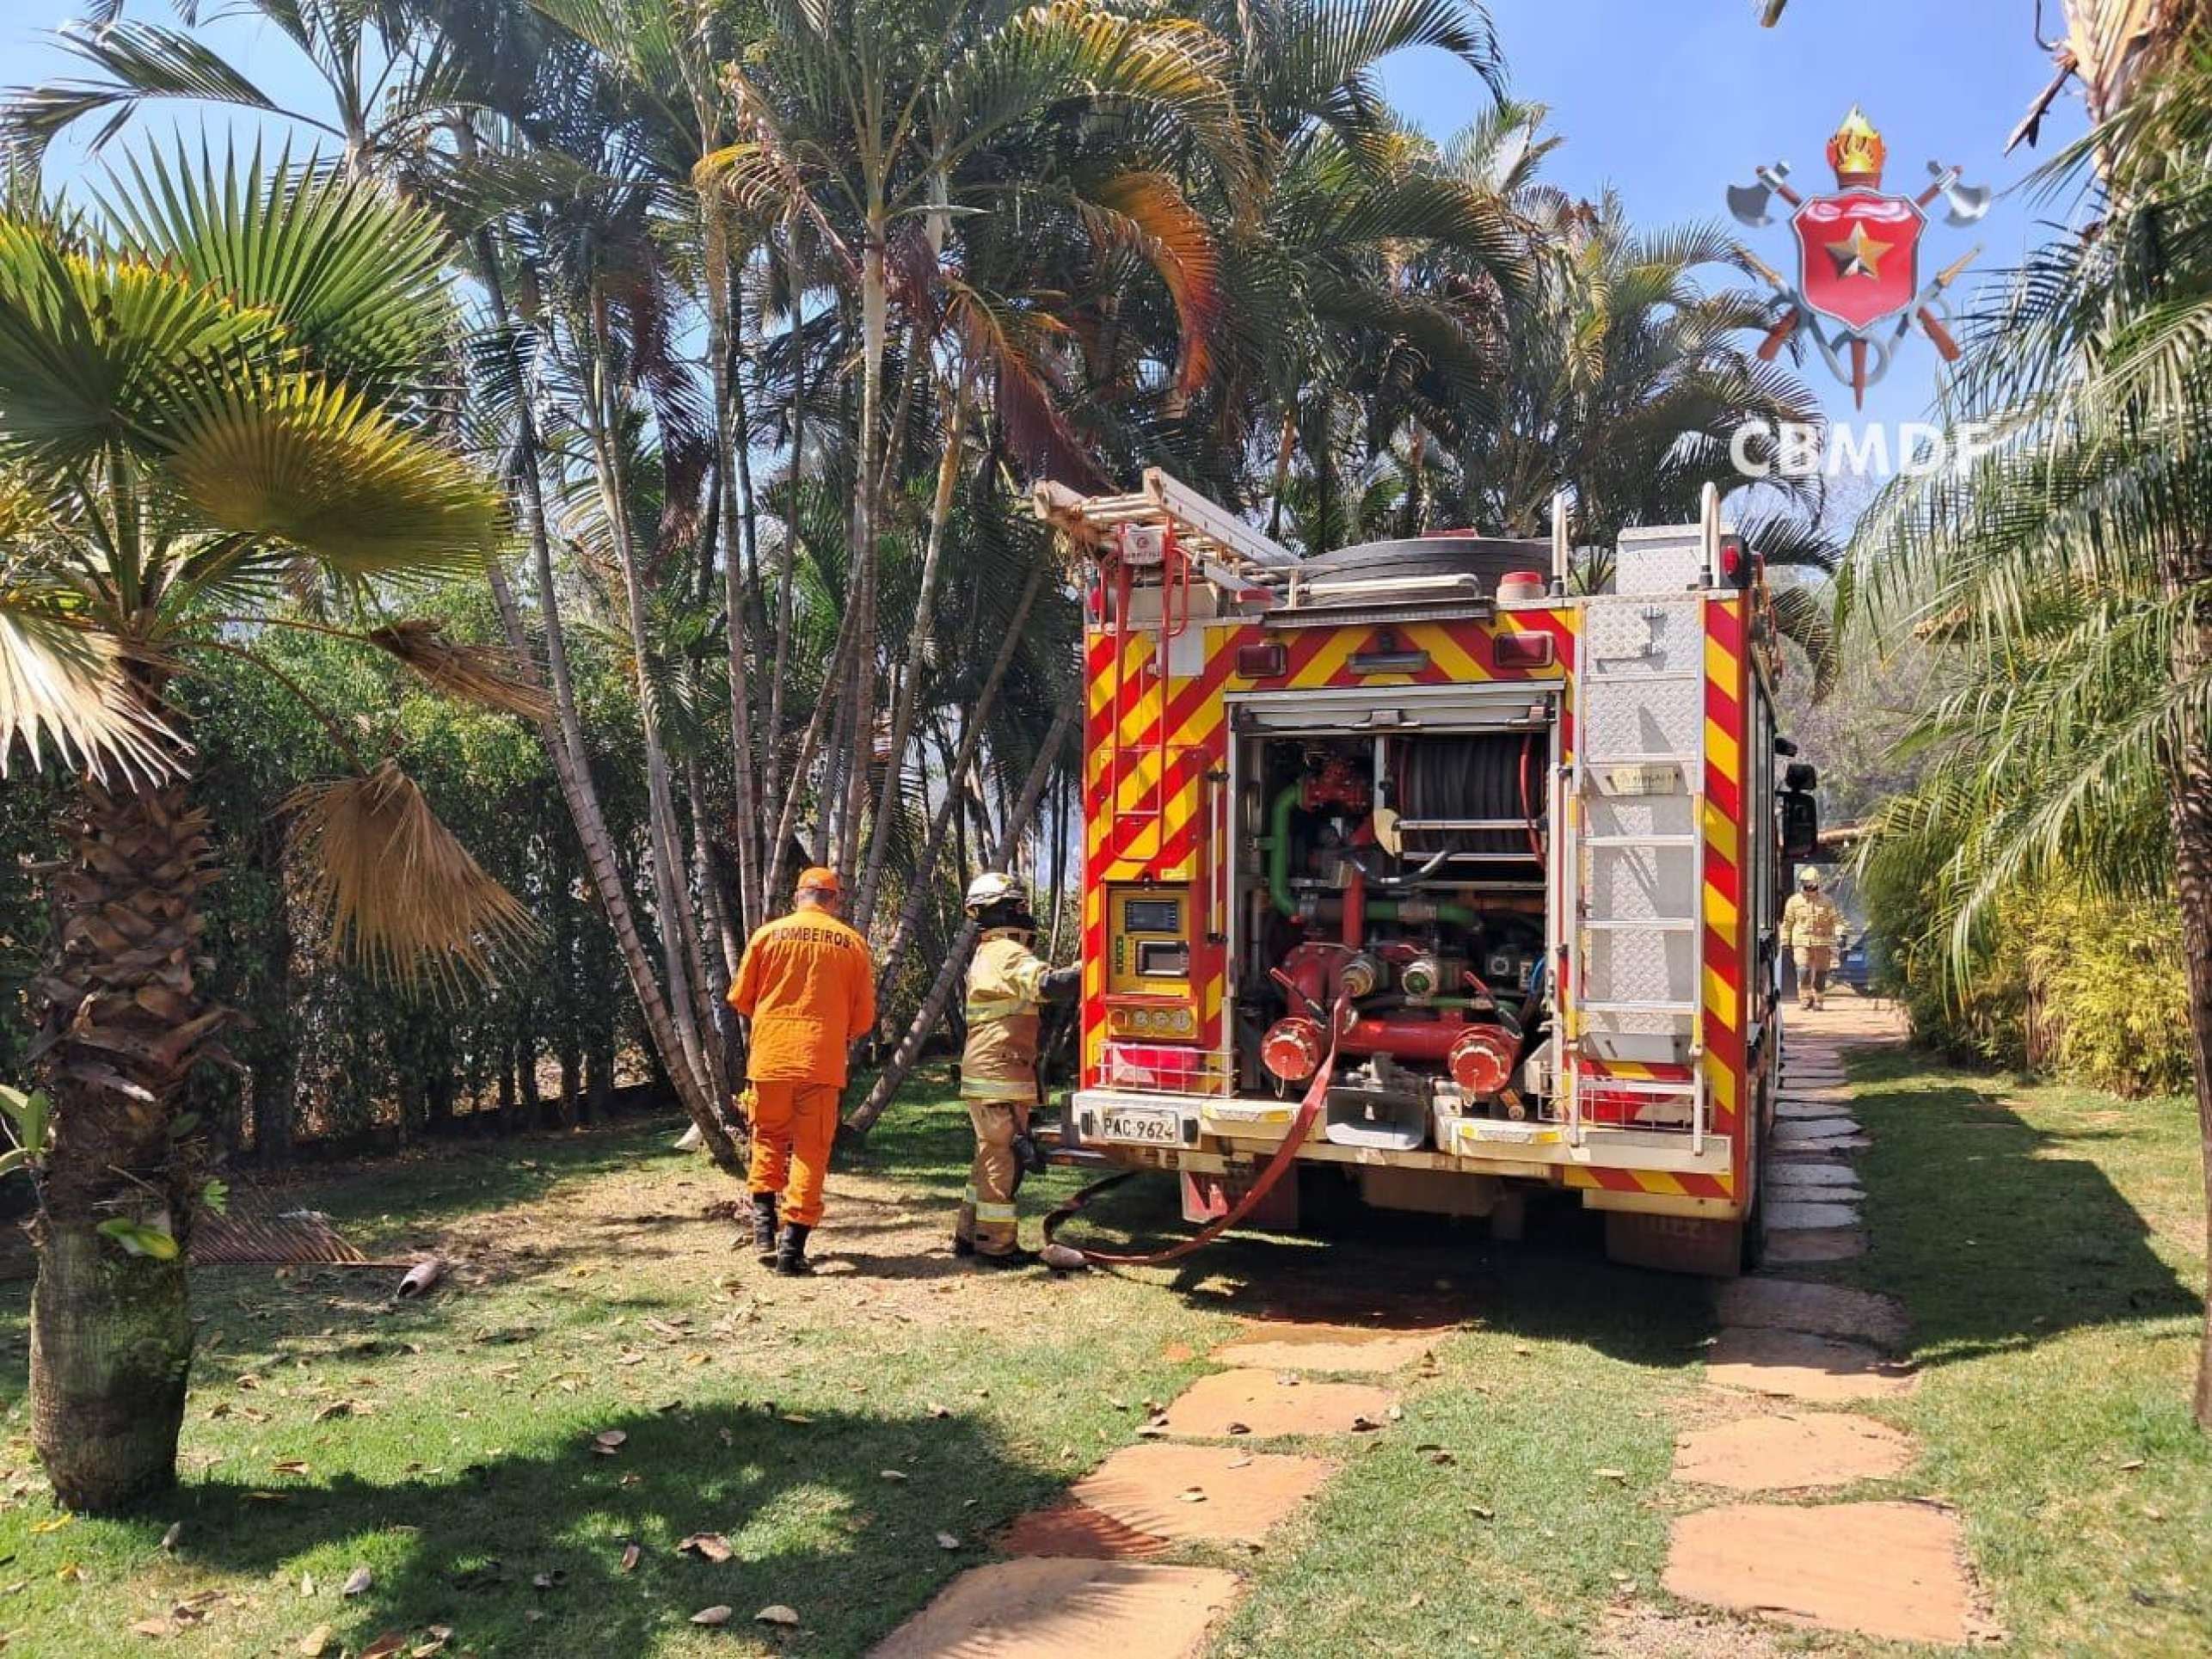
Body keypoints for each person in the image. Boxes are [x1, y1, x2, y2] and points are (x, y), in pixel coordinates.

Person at [728, 867, 876, 1275]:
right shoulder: (853, 943)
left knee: (768, 1138)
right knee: (811, 1152)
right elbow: (864, 1019)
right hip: (820, 1063)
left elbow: (740, 997)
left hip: (771, 1059)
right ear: (835, 900)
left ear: (798, 897)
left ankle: (763, 1231)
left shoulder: (767, 935)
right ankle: (791, 1251)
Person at [954, 872, 1079, 1268]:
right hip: (999, 1073)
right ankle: (996, 1246)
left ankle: (968, 1234)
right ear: (1000, 909)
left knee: (989, 1156)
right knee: (1003, 1159)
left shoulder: (989, 952)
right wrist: (1096, 965)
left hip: (994, 1070)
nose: (1025, 911)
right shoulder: (1005, 952)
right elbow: (1049, 984)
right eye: (1018, 904)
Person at [1780, 865, 1846, 1011]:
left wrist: (1841, 934)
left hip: (1822, 942)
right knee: (1803, 970)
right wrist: (1785, 941)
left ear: (1817, 882)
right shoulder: (1794, 901)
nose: (1807, 886)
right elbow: (1787, 923)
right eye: (1805, 882)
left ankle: (1819, 1000)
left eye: (1810, 882)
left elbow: (1836, 920)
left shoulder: (1827, 901)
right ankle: (1805, 998)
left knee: (1821, 973)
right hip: (1801, 942)